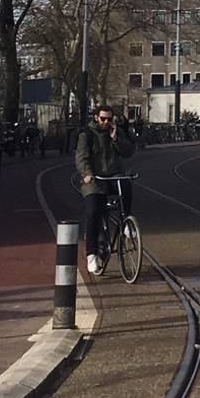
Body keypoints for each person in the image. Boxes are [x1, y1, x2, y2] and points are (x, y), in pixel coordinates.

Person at [74, 106, 136, 276]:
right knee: (93, 212)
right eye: (103, 119)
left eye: (109, 119)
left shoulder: (115, 132)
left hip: (113, 175)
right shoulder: (86, 135)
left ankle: (126, 223)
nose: (106, 122)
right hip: (95, 179)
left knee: (126, 186)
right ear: (96, 118)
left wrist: (116, 139)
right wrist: (87, 174)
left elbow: (129, 151)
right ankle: (91, 255)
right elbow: (81, 157)